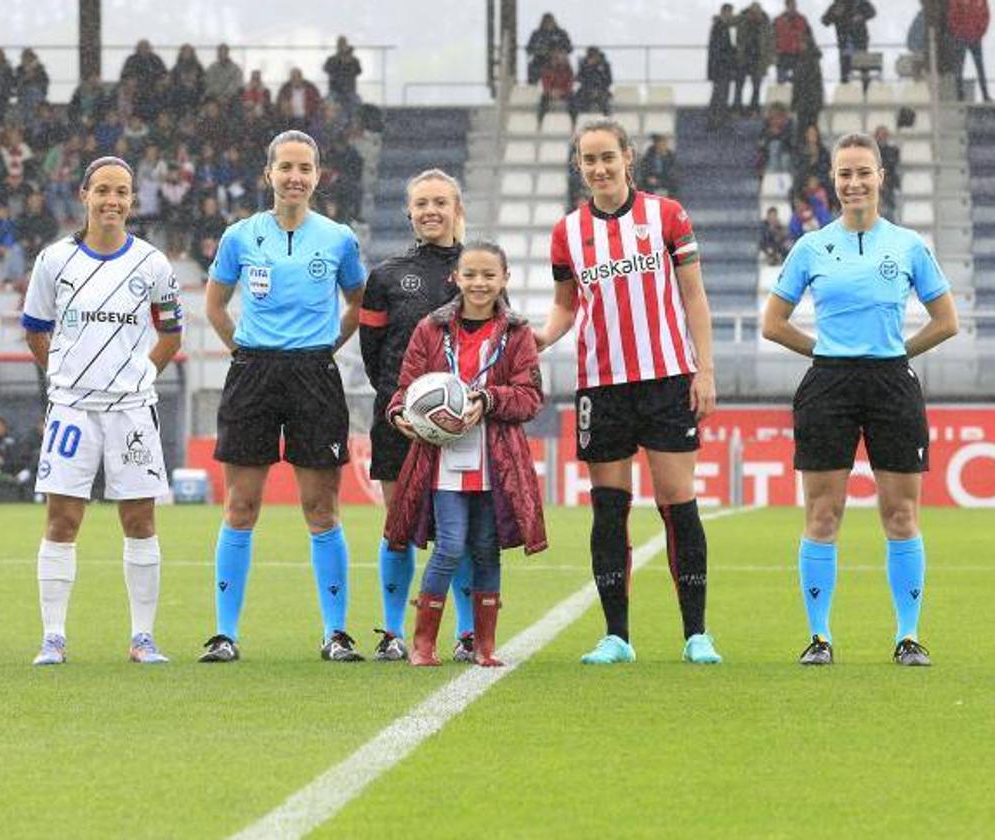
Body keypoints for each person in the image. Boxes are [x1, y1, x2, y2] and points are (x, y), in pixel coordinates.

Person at [761, 132, 959, 667]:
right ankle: (820, 638)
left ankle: (908, 636)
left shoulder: (909, 245)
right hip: (828, 385)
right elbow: (773, 324)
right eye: (844, 173)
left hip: (892, 382)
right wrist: (824, 351)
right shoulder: (811, 246)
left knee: (901, 513)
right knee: (823, 513)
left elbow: (946, 322)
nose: (854, 183)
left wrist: (896, 352)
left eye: (862, 172)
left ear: (880, 178)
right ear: (834, 179)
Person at [534, 119, 722, 666]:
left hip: (666, 378)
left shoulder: (666, 216)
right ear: (579, 167)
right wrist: (543, 336)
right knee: (609, 509)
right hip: (601, 385)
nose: (599, 168)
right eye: (589, 160)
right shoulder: (566, 232)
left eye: (607, 157)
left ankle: (696, 633)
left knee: (677, 503)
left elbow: (694, 298)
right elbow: (567, 305)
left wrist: (703, 371)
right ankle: (617, 635)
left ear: (627, 158)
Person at [201, 129, 367, 663]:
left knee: (321, 508)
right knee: (241, 505)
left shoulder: (339, 238)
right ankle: (225, 634)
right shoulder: (240, 236)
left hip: (314, 376)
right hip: (253, 374)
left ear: (317, 177)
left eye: (305, 168)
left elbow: (358, 305)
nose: (295, 177)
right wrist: (243, 353)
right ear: (268, 174)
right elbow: (215, 306)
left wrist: (324, 348)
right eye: (286, 168)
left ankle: (335, 633)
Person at [20, 156, 184, 666]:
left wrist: (137, 375)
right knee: (62, 518)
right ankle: (53, 637)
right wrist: (64, 377)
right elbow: (35, 328)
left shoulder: (154, 264)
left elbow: (171, 333)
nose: (112, 201)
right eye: (103, 191)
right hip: (71, 410)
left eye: (122, 192)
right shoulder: (53, 261)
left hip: (132, 411)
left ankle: (142, 638)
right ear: (84, 195)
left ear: (133, 201)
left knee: (139, 519)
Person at [384, 242, 546, 667]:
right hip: (442, 458)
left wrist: (488, 400)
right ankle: (423, 644)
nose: (479, 283)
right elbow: (406, 388)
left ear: (505, 279)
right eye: (470, 274)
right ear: (454, 278)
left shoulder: (518, 332)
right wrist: (398, 411)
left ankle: (484, 646)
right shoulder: (430, 328)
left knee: (486, 548)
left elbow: (530, 397)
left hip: (495, 460)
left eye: (489, 275)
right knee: (450, 546)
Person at [359, 169, 476, 662]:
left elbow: (495, 346)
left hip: (465, 426)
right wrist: (398, 405)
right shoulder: (385, 277)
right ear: (409, 211)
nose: (431, 211)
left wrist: (468, 408)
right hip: (399, 423)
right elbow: (373, 353)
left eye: (440, 202)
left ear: (457, 210)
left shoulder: (477, 270)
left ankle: (467, 635)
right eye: (422, 203)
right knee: (399, 526)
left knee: (464, 532)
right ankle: (392, 632)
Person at [821, 0, 876, 84]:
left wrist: (862, 16)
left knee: (864, 72)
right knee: (845, 75)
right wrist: (834, 14)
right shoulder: (837, 5)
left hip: (860, 43)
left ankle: (866, 93)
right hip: (845, 44)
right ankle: (846, 94)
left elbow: (872, 12)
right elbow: (825, 21)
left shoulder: (860, 3)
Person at [948, 0, 992, 102]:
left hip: (975, 37)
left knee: (980, 67)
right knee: (959, 68)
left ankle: (985, 95)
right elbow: (952, 16)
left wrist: (980, 31)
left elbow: (986, 15)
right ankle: (960, 96)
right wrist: (958, 32)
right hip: (961, 38)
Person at [707, 4, 740, 129]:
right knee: (720, 95)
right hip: (721, 68)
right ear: (725, 12)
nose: (731, 15)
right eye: (729, 13)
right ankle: (716, 121)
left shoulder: (719, 26)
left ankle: (716, 120)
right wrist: (732, 53)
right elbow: (720, 49)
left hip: (720, 68)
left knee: (719, 95)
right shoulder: (720, 27)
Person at [526, 13, 572, 85]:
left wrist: (558, 50)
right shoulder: (537, 34)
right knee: (534, 69)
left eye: (550, 21)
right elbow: (529, 49)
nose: (548, 24)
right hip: (540, 60)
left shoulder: (561, 33)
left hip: (558, 61)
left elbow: (569, 48)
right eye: (546, 21)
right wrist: (540, 50)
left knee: (563, 69)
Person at [774, 0, 812, 84]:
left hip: (798, 54)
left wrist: (806, 45)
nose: (793, 7)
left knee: (799, 82)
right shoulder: (778, 20)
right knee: (781, 82)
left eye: (794, 5)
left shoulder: (802, 19)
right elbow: (773, 37)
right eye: (791, 5)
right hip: (782, 54)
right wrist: (775, 51)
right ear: (786, 6)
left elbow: (808, 35)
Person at [324, 36, 363, 116]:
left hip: (349, 90)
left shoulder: (354, 60)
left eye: (343, 44)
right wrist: (339, 60)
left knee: (357, 105)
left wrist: (349, 61)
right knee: (328, 105)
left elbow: (358, 71)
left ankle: (354, 124)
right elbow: (327, 69)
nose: (341, 46)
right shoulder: (332, 59)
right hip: (335, 90)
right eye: (340, 44)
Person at [574, 47, 613, 116]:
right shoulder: (583, 64)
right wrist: (588, 69)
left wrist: (599, 89)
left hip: (601, 90)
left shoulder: (605, 65)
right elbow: (579, 78)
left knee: (604, 102)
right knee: (580, 101)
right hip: (586, 89)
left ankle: (606, 119)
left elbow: (608, 80)